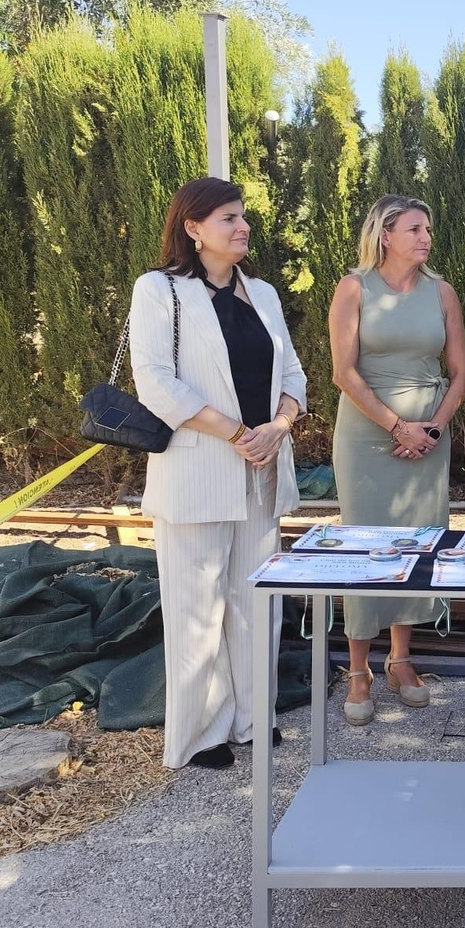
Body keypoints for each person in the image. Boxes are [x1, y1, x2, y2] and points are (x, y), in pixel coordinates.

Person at [129, 177, 306, 770]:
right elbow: (155, 382)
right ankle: (202, 733)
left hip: (263, 468)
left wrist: (277, 429)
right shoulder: (160, 291)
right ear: (193, 228)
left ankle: (256, 717)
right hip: (198, 469)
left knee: (257, 603)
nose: (242, 227)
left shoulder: (264, 294)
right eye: (228, 218)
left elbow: (295, 379)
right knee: (196, 606)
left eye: (243, 217)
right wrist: (235, 433)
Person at [328, 195, 465, 726]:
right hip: (369, 438)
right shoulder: (353, 288)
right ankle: (359, 670)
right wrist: (397, 426)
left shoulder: (443, 292)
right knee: (367, 544)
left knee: (417, 540)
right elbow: (344, 372)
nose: (425, 237)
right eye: (414, 228)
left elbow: (460, 372)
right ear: (385, 234)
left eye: (428, 228)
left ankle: (402, 659)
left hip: (428, 439)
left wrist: (430, 428)